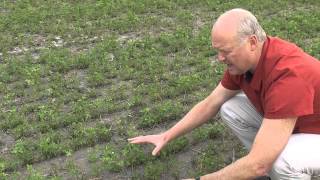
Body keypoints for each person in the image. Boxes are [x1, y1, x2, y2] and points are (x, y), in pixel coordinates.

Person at [128, 8, 320, 180]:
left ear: (252, 42)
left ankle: (266, 165)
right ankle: (262, 167)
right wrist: (167, 135)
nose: (220, 59)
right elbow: (211, 102)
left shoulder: (288, 76)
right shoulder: (246, 63)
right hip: (300, 125)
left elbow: (258, 164)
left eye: (226, 51)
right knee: (230, 108)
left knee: (280, 161)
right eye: (217, 51)